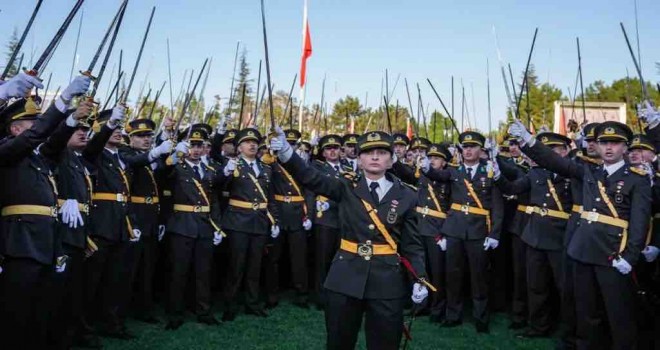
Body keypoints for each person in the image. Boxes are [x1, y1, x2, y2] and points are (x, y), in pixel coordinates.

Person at [271, 128, 429, 350]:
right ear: (359, 159)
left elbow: (412, 244)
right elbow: (311, 177)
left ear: (392, 160)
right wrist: (288, 153)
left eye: (382, 152)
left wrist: (419, 278)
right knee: (339, 342)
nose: (375, 157)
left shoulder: (407, 195)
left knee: (385, 344)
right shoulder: (345, 186)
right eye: (368, 152)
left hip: (387, 281)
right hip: (345, 278)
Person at [509, 118, 653, 350]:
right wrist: (528, 140)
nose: (608, 147)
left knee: (619, 313)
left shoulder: (637, 179)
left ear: (625, 148)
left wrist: (630, 256)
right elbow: (554, 161)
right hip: (583, 250)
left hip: (613, 254)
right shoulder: (589, 171)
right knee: (586, 310)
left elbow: (639, 222)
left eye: (615, 143)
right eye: (604, 142)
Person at [0, 74, 92, 349]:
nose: (39, 127)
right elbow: (39, 134)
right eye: (32, 122)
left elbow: (52, 141)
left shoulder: (38, 157)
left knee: (41, 310)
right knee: (17, 313)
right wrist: (63, 100)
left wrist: (72, 118)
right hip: (21, 241)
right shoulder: (8, 150)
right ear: (16, 129)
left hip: (46, 239)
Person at [421, 130, 504, 333]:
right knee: (453, 276)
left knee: (479, 277)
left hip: (478, 231)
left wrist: (494, 234)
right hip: (455, 230)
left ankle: (481, 318)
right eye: (464, 147)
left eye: (472, 146)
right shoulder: (454, 171)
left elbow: (497, 207)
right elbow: (437, 174)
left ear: (480, 150)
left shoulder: (490, 171)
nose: (468, 150)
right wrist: (425, 167)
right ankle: (453, 314)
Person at [495, 132, 573, 338]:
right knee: (536, 286)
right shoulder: (536, 173)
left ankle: (569, 331)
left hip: (561, 237)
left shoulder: (572, 174)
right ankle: (538, 326)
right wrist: (497, 176)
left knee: (565, 289)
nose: (547, 155)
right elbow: (513, 187)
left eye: (553, 150)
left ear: (565, 151)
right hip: (534, 235)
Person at [163, 126, 224, 330]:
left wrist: (217, 226)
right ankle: (175, 313)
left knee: (203, 272)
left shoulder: (208, 170)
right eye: (192, 145)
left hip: (204, 226)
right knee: (179, 272)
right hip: (182, 224)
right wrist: (174, 154)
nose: (196, 150)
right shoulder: (176, 167)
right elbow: (163, 173)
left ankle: (203, 311)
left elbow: (213, 200)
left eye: (200, 145)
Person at [220, 128, 280, 321]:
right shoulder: (232, 166)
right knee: (236, 266)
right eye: (247, 142)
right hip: (238, 221)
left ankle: (252, 304)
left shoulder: (266, 168)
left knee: (255, 266)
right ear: (239, 147)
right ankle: (230, 305)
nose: (252, 145)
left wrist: (274, 220)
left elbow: (270, 197)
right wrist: (227, 172)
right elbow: (218, 187)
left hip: (260, 222)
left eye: (254, 142)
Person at [120, 119, 171, 324]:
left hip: (151, 217)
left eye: (149, 136)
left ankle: (144, 309)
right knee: (128, 270)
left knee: (147, 269)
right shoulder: (125, 153)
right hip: (134, 217)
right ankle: (121, 312)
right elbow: (136, 162)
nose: (146, 139)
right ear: (130, 138)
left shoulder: (153, 158)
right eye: (141, 136)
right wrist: (157, 152)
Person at [265, 128, 312, 308]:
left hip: (298, 214)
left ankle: (302, 295)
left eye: (293, 144)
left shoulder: (301, 164)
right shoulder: (271, 163)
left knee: (299, 258)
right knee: (273, 259)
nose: (290, 146)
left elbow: (309, 190)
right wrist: (273, 218)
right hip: (279, 212)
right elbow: (267, 191)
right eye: (288, 143)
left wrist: (309, 215)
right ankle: (272, 295)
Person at [309, 134, 352, 309]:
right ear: (323, 152)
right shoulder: (317, 167)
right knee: (322, 260)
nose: (333, 151)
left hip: (343, 218)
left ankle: (338, 294)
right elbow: (310, 192)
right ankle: (320, 297)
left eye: (335, 148)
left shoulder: (347, 167)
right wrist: (310, 216)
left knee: (340, 260)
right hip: (324, 218)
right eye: (328, 148)